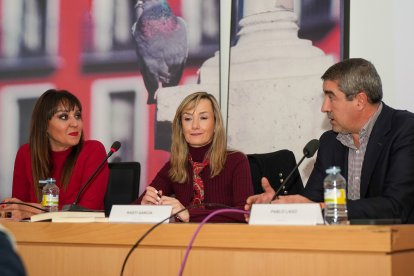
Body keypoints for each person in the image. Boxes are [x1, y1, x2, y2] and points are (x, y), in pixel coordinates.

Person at [245, 58, 414, 223]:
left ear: (360, 100)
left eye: (331, 97)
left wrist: (325, 208)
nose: (324, 107)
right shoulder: (330, 141)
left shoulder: (405, 129)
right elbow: (312, 201)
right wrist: (276, 206)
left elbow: (396, 206)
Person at [134, 92, 253, 222]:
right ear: (180, 126)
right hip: (182, 240)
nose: (195, 125)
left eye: (203, 118)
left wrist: (188, 213)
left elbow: (245, 214)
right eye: (188, 119)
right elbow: (130, 209)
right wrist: (144, 208)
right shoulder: (175, 165)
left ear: (215, 124)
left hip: (224, 239)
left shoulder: (236, 160)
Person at [1, 89, 109, 220]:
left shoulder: (93, 150)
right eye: (64, 117)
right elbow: (19, 208)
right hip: (35, 236)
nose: (75, 124)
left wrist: (32, 210)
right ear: (44, 125)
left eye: (77, 115)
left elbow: (87, 211)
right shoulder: (26, 153)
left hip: (81, 236)